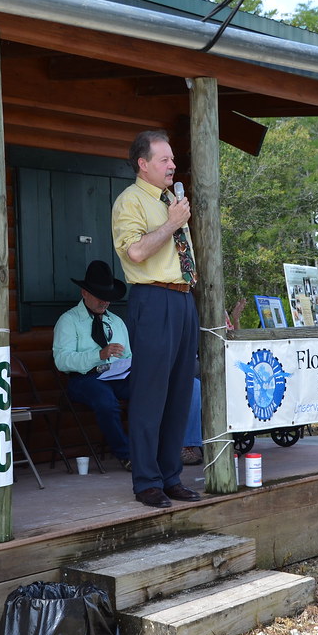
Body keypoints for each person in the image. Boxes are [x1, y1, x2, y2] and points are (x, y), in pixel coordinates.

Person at [111, 129, 201, 508]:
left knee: (180, 393)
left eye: (173, 159)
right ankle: (146, 481)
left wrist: (174, 216)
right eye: (164, 160)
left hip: (183, 299)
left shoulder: (170, 199)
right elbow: (135, 252)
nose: (172, 165)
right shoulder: (130, 201)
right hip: (153, 299)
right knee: (151, 394)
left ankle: (170, 476)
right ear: (143, 164)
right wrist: (172, 223)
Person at [53, 260, 134, 471]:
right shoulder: (69, 321)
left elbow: (129, 355)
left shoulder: (116, 321)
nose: (105, 302)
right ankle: (127, 455)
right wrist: (98, 354)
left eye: (108, 297)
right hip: (84, 378)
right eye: (100, 296)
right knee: (105, 401)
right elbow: (62, 360)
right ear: (84, 293)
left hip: (116, 376)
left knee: (146, 390)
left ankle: (149, 449)